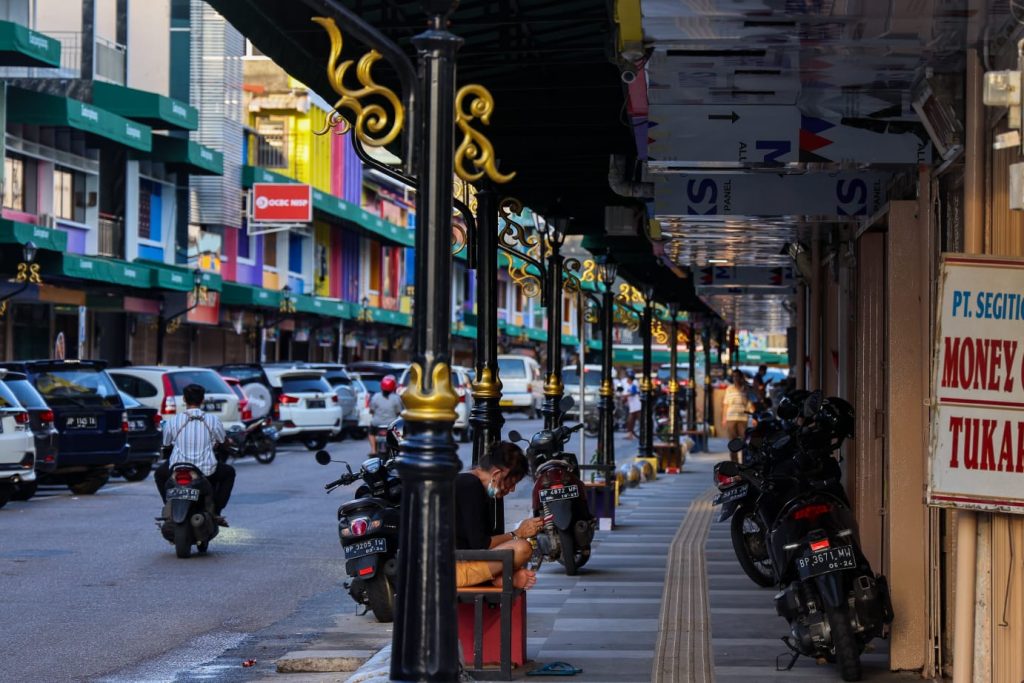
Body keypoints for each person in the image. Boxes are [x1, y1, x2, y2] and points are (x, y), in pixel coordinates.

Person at [455, 442, 543, 590]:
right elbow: (482, 544)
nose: (512, 489)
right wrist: (517, 533)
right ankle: (499, 579)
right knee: (522, 548)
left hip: (461, 561)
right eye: (511, 483)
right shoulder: (470, 486)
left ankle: (501, 578)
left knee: (517, 549)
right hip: (451, 570)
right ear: (496, 474)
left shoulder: (471, 484)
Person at [154, 383, 234, 526]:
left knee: (159, 474)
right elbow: (223, 441)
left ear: (184, 399)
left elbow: (166, 444)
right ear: (202, 400)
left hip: (177, 469)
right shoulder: (213, 420)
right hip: (206, 470)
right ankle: (216, 511)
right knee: (229, 473)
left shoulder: (174, 421)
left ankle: (169, 504)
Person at [721, 369, 755, 462]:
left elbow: (750, 404)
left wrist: (754, 417)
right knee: (733, 443)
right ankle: (734, 463)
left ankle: (744, 462)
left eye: (737, 376)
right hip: (731, 419)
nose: (735, 378)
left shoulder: (746, 389)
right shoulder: (729, 389)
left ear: (741, 378)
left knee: (744, 442)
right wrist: (724, 418)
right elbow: (725, 405)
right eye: (733, 376)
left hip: (742, 419)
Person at [368, 374, 403, 455]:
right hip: (391, 424)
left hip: (377, 424)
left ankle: (373, 449)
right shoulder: (396, 398)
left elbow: (371, 411)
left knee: (371, 432)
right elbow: (399, 412)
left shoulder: (375, 397)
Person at [623, 370, 641, 439]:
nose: (627, 380)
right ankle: (630, 434)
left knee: (633, 420)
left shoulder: (634, 384)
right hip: (632, 406)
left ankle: (647, 433)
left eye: (628, 378)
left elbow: (633, 392)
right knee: (631, 421)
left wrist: (626, 396)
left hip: (637, 406)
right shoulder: (628, 386)